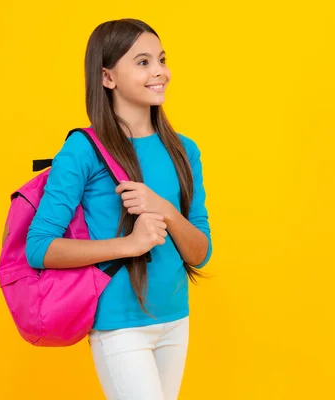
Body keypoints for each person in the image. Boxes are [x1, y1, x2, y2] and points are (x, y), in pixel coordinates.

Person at [25, 18, 212, 400]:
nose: (160, 71)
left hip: (175, 319)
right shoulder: (82, 149)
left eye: (161, 59)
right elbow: (39, 248)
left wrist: (165, 210)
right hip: (119, 325)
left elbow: (200, 251)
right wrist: (129, 245)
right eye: (142, 62)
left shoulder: (184, 150)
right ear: (107, 77)